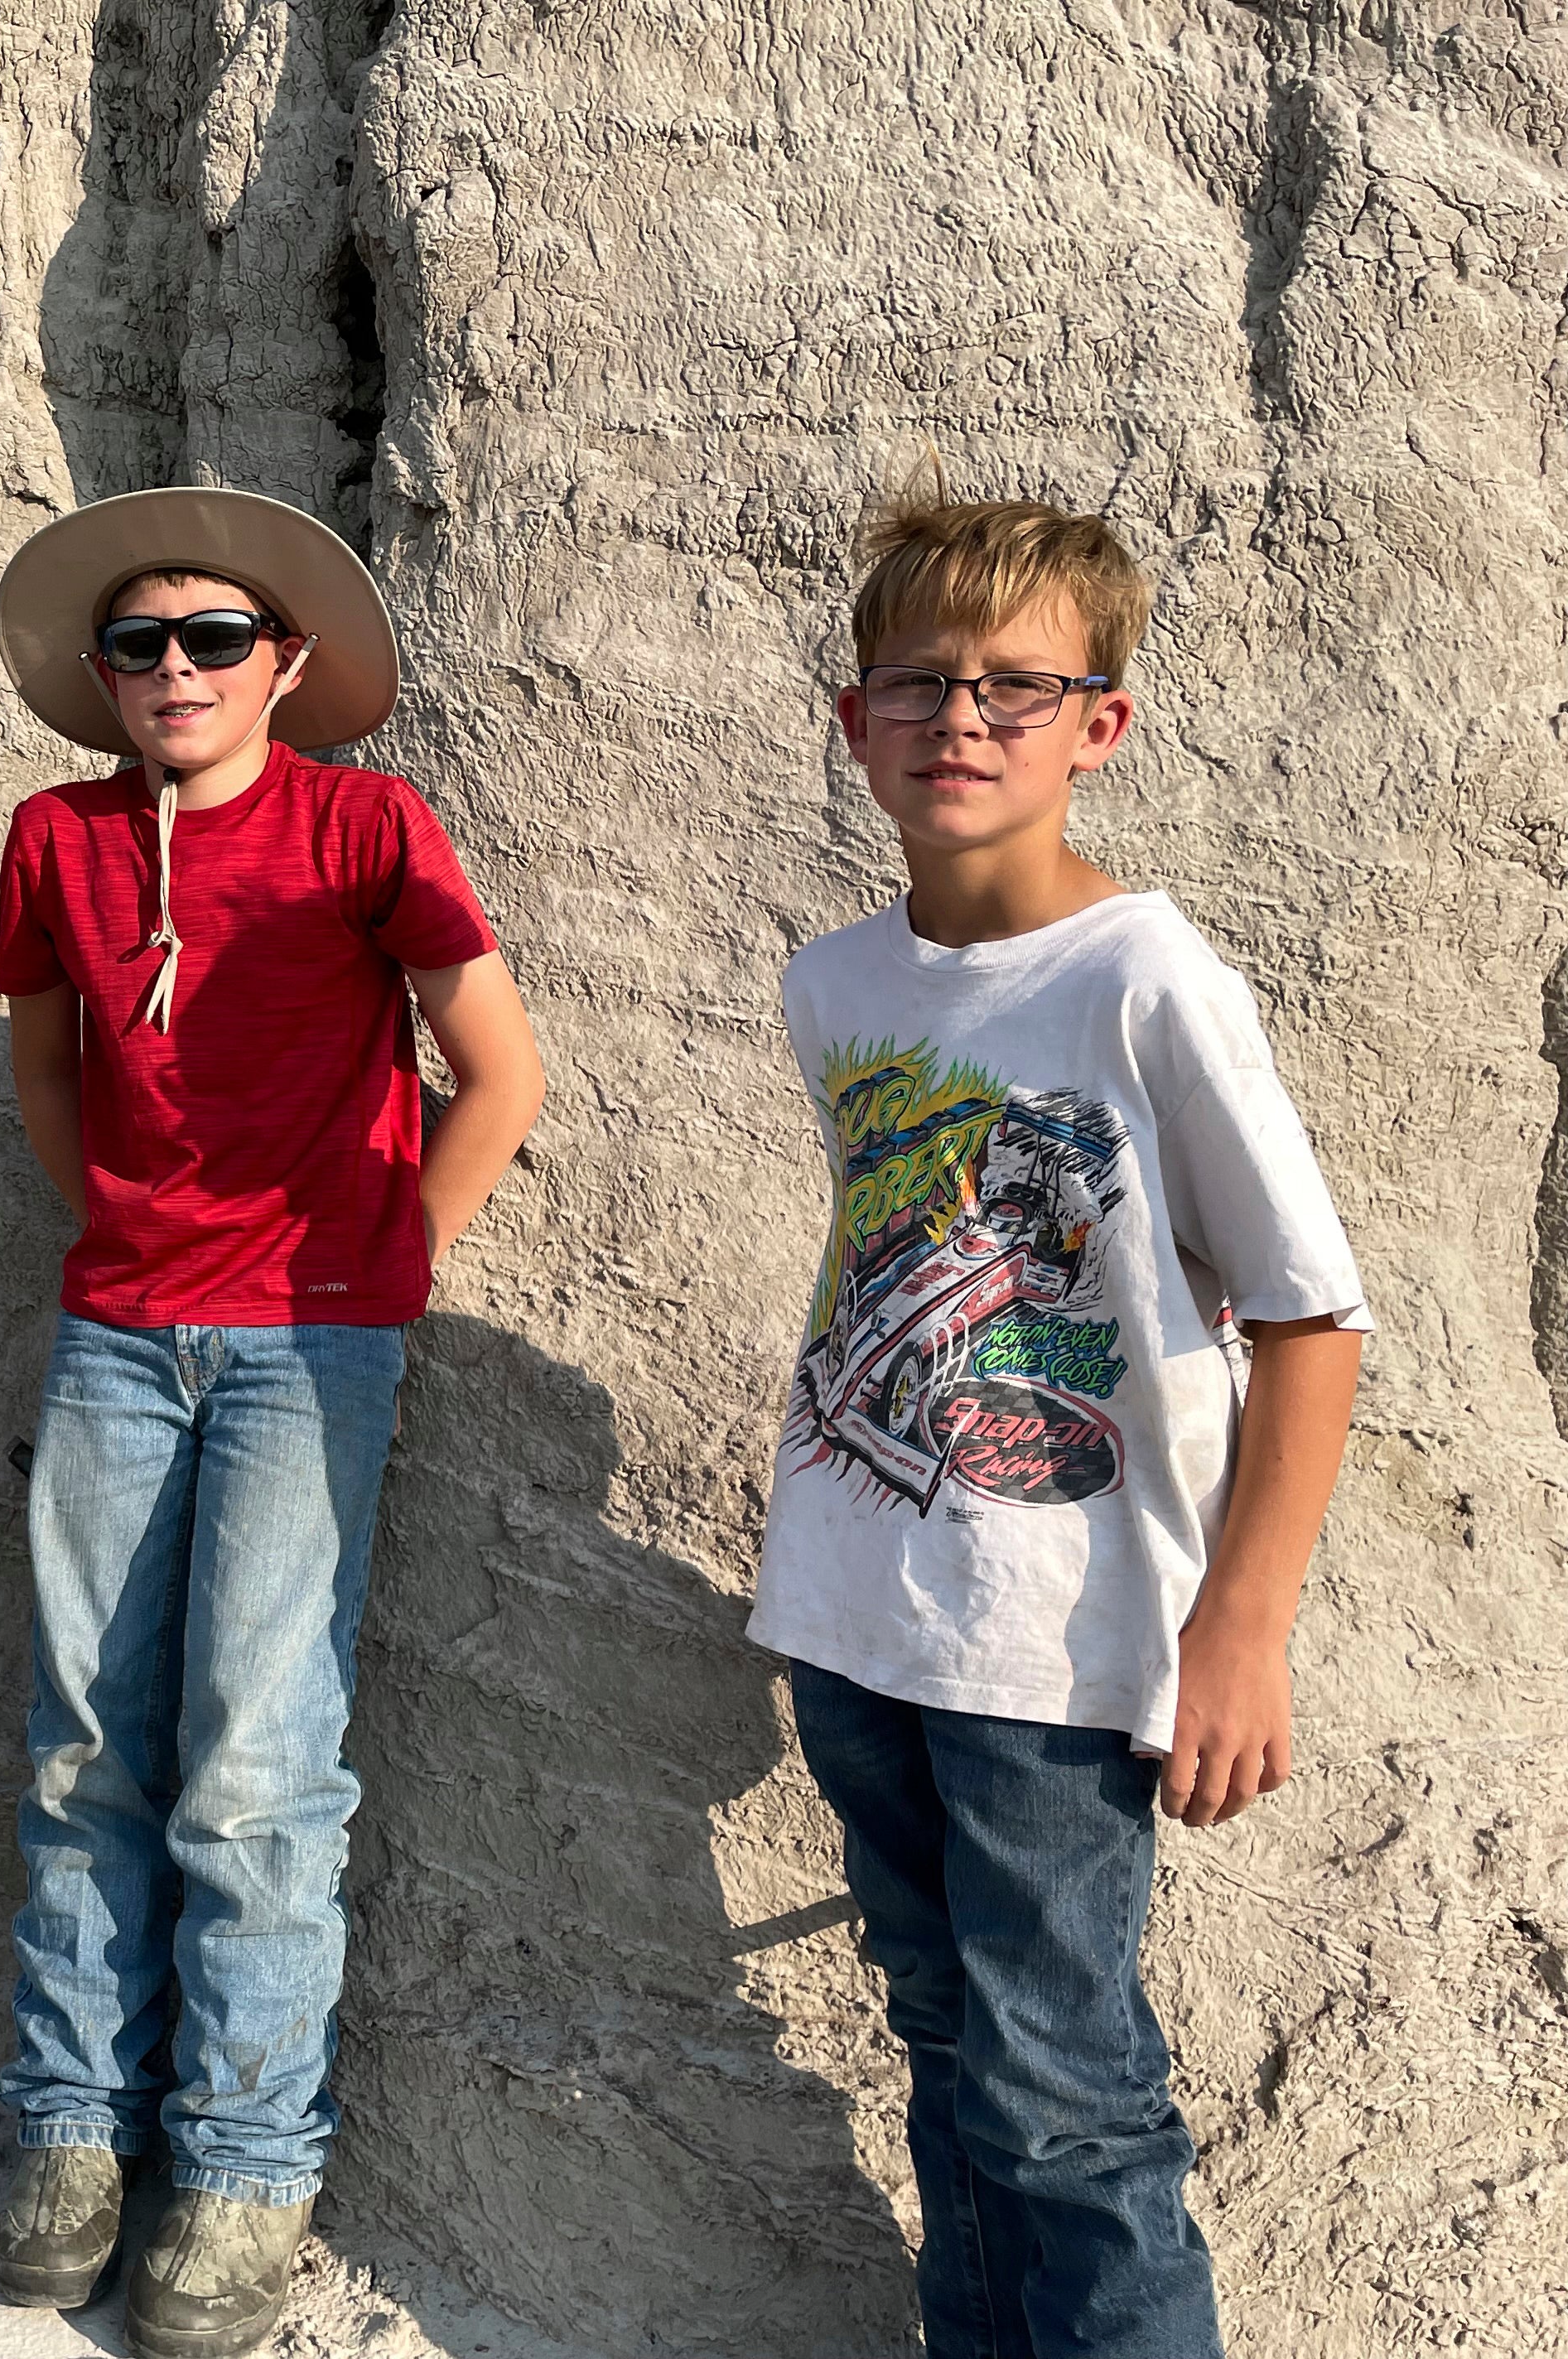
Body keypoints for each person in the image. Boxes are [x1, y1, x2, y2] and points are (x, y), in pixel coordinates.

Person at [754, 493, 1368, 2357]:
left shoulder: (1148, 980)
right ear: (854, 718)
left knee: (1065, 2094)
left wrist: (1240, 1624)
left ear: (1101, 722)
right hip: (855, 1611)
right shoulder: (836, 978)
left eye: (1019, 687)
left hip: (1061, 1640)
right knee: (943, 2035)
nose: (964, 719)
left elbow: (1317, 1318)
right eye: (921, 682)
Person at [0, 489, 546, 2358]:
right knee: (84, 1742)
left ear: (284, 663)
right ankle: (70, 2129)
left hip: (315, 1348)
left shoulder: (362, 822)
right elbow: (46, 1054)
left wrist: (388, 1256)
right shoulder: (56, 839)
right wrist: (110, 1228)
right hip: (117, 1338)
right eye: (138, 642)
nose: (172, 668)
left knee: (256, 1761)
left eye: (213, 637)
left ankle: (239, 2157)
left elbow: (503, 1067)